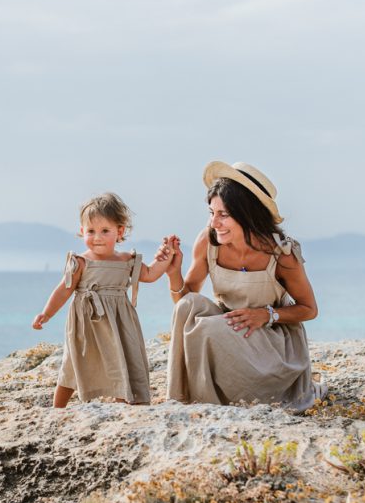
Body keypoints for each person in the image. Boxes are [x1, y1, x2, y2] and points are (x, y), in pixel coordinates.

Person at [163, 161, 318, 411]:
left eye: (223, 215)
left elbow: (309, 309)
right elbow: (182, 303)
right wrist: (173, 273)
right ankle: (182, 398)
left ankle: (213, 401)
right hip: (229, 327)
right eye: (211, 213)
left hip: (270, 340)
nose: (214, 223)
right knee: (188, 305)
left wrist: (266, 314)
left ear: (248, 214)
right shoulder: (208, 241)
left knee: (210, 329)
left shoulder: (282, 254)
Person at [33, 192, 172, 408]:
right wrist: (47, 313)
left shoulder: (126, 260)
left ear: (120, 231)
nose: (97, 237)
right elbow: (64, 289)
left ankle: (123, 405)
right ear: (82, 231)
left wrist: (166, 255)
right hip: (88, 323)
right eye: (91, 231)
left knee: (121, 360)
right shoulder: (80, 262)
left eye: (105, 231)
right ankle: (57, 409)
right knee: (74, 364)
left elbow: (150, 274)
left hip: (119, 322)